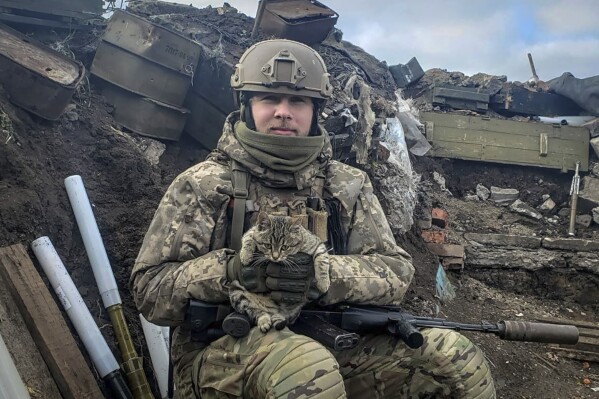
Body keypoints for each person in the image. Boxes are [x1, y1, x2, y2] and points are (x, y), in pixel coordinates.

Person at [131, 39, 496, 399]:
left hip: (332, 340)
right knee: (304, 370)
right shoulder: (205, 185)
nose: (283, 112)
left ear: (315, 109)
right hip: (223, 352)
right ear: (246, 105)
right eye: (269, 98)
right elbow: (150, 290)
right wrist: (231, 272)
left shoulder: (346, 185)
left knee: (454, 362)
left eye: (298, 101)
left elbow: (396, 273)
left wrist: (320, 276)